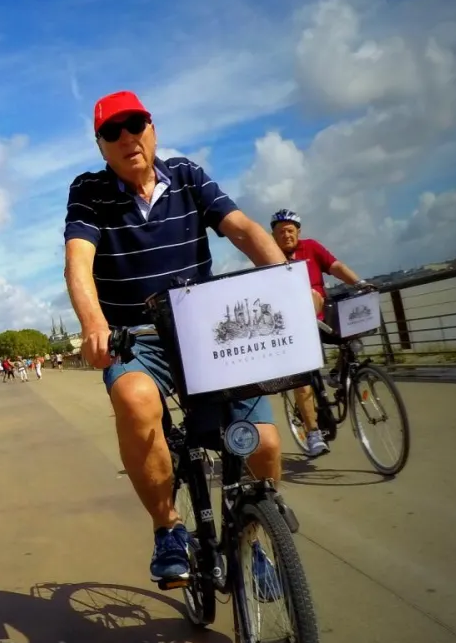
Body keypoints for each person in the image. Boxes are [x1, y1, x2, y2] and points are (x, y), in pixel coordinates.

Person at [64, 90, 288, 587]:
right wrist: (94, 326)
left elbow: (243, 228)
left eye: (135, 124)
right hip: (137, 336)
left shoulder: (186, 175)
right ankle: (168, 526)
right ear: (101, 146)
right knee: (134, 399)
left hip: (206, 329)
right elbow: (78, 263)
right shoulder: (89, 191)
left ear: (152, 127)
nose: (127, 138)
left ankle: (257, 541)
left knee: (266, 445)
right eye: (111, 132)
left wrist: (287, 284)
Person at [270, 209, 366, 457]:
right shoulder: (268, 256)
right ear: (273, 235)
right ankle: (313, 433)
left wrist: (361, 284)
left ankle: (337, 372)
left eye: (290, 230)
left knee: (350, 332)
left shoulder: (311, 248)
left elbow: (336, 266)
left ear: (298, 232)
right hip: (293, 326)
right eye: (280, 231)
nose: (286, 234)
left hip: (320, 319)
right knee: (303, 382)